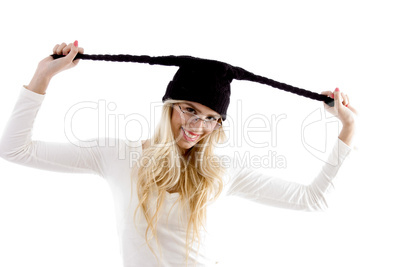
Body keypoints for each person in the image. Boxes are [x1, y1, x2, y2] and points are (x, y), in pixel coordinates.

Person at [0, 41, 356, 267]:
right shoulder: (117, 155)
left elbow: (313, 199)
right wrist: (42, 78)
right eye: (188, 109)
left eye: (210, 119)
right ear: (168, 106)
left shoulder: (221, 171)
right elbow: (15, 149)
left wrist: (348, 129)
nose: (197, 127)